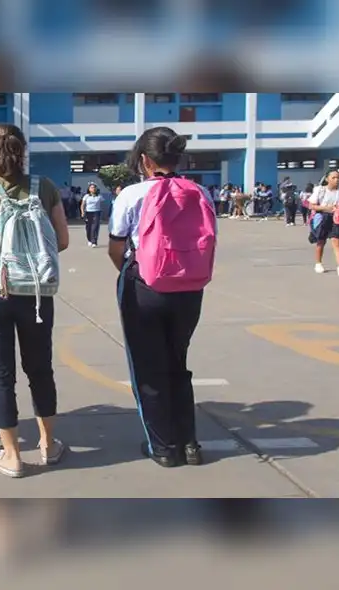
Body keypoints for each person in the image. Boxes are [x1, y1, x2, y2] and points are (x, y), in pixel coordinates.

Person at [0, 123, 70, 478]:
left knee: (0, 374)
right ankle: (48, 445)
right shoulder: (45, 187)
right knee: (40, 369)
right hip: (36, 291)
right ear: (22, 151)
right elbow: (63, 240)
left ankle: (11, 455)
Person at [108, 126, 217, 468]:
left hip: (147, 288)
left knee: (149, 368)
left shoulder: (131, 195)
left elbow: (116, 247)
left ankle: (163, 446)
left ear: (144, 159)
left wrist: (134, 272)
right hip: (190, 288)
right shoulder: (200, 191)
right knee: (178, 364)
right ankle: (190, 444)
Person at [307, 169, 339, 276]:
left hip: (337, 217)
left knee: (336, 241)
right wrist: (325, 208)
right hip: (322, 217)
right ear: (327, 179)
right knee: (321, 241)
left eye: (338, 178)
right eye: (333, 178)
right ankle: (318, 263)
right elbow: (311, 205)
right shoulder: (320, 190)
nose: (336, 180)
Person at [80, 182, 104, 247]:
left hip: (97, 212)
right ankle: (89, 240)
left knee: (95, 227)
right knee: (88, 227)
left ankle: (94, 241)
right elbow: (82, 205)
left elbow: (102, 205)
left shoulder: (99, 196)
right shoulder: (86, 196)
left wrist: (102, 214)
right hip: (88, 213)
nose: (93, 189)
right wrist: (82, 212)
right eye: (92, 187)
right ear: (89, 189)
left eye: (94, 187)